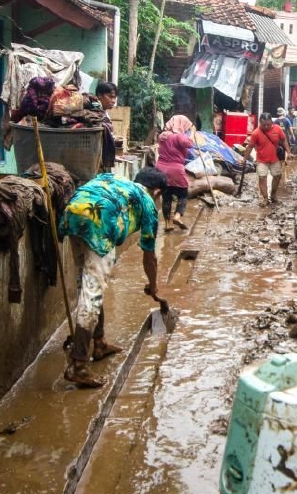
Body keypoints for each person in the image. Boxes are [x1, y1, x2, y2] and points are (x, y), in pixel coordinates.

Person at [58, 167, 168, 388]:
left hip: (73, 213)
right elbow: (149, 257)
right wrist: (154, 286)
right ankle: (77, 365)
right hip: (100, 222)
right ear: (156, 192)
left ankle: (99, 343)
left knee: (89, 283)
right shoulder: (147, 203)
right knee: (93, 291)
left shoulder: (114, 179)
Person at [156, 114, 196, 231]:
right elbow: (190, 143)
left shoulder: (162, 136)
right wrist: (193, 132)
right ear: (181, 125)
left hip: (161, 169)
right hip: (176, 170)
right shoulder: (179, 137)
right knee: (183, 194)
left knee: (166, 196)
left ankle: (168, 224)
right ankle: (177, 216)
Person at [242, 112, 290, 206]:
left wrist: (288, 151)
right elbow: (250, 147)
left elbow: (284, 139)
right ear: (260, 122)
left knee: (277, 176)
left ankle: (273, 195)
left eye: (268, 124)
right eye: (264, 125)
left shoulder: (278, 129)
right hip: (261, 160)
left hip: (275, 159)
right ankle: (265, 198)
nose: (266, 126)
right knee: (262, 177)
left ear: (272, 121)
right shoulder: (256, 133)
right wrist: (244, 159)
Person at [95, 81, 118, 172]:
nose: (113, 100)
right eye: (111, 97)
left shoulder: (104, 112)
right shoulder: (94, 110)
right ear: (100, 95)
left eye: (115, 97)